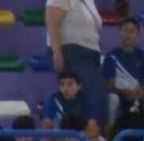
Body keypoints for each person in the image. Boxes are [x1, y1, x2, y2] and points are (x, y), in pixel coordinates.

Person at [46, 0, 107, 132]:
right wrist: (57, 52)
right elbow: (52, 22)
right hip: (71, 53)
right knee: (81, 98)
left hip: (90, 56)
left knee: (94, 98)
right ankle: (78, 137)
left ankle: (92, 136)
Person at [104, 16, 144, 129]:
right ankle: (107, 136)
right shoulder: (112, 56)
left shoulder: (143, 57)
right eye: (125, 31)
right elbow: (110, 85)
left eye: (132, 31)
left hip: (140, 98)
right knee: (112, 99)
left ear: (138, 34)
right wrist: (126, 93)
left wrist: (141, 93)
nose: (128, 35)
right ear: (120, 33)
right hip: (119, 97)